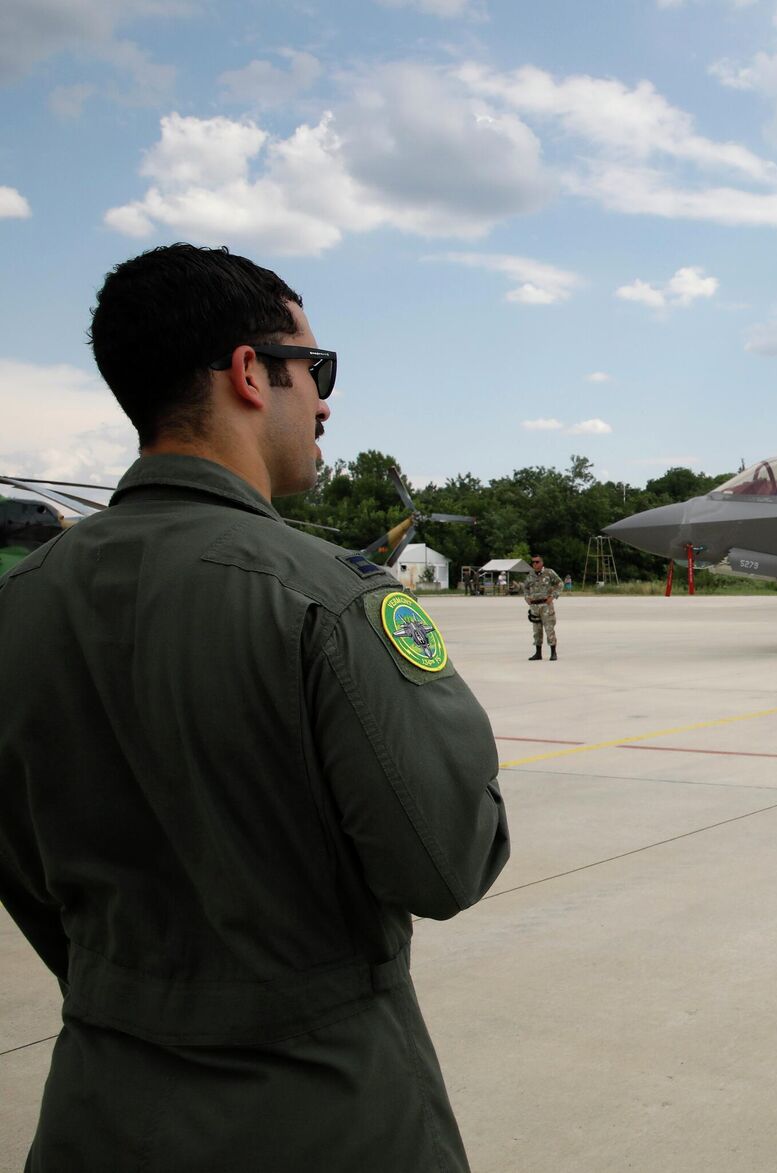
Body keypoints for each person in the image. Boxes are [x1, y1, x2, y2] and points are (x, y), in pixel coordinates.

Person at [0, 244, 510, 1171]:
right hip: (322, 1113)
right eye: (313, 369)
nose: (323, 401)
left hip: (97, 1111)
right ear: (248, 372)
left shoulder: (18, 602)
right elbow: (448, 859)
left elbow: (27, 876)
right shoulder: (326, 595)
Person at [522, 554, 563, 659]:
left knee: (549, 629)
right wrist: (527, 597)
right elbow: (525, 587)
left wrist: (553, 596)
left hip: (546, 605)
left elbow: (560, 583)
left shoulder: (549, 573)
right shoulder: (530, 575)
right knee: (537, 630)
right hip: (535, 606)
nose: (534, 564)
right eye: (533, 562)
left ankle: (553, 653)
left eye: (537, 562)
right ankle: (538, 653)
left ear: (542, 563)